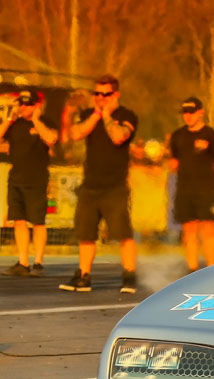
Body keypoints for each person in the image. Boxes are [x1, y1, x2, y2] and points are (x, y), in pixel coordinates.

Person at [61, 74, 138, 293]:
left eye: (105, 94)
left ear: (116, 94)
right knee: (86, 235)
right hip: (90, 185)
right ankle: (84, 276)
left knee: (123, 235)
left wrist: (106, 115)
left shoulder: (127, 115)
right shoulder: (89, 115)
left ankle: (129, 276)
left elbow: (118, 137)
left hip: (115, 186)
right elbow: (76, 134)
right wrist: (96, 113)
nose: (100, 98)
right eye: (97, 94)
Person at [0, 90, 58, 277]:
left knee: (38, 222)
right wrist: (8, 120)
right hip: (16, 179)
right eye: (21, 104)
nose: (23, 107)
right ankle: (23, 262)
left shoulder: (45, 123)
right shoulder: (14, 124)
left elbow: (51, 139)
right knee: (19, 221)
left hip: (37, 180)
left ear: (36, 106)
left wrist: (35, 120)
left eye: (28, 104)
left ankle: (38, 263)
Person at [169, 97, 214, 272]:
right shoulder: (177, 135)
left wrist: (210, 183)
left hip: (205, 191)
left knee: (208, 231)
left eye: (192, 112)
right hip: (184, 190)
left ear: (201, 113)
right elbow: (174, 163)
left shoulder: (212, 136)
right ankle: (192, 270)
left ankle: (211, 269)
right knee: (189, 232)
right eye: (185, 113)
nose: (188, 116)